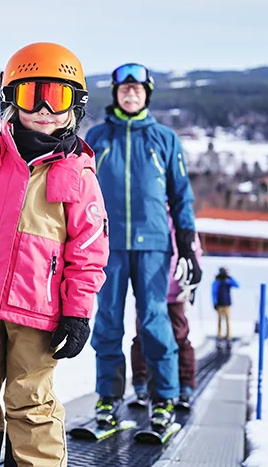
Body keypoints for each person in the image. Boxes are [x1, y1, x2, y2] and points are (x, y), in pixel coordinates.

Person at [0, 43, 109, 467]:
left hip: (39, 312)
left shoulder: (78, 173)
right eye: (32, 96)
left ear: (75, 105)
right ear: (12, 100)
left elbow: (88, 251)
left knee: (31, 403)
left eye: (58, 96)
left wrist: (78, 312)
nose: (45, 108)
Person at [85, 63, 201, 435]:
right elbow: (81, 192)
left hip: (153, 246)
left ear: (147, 94)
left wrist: (185, 243)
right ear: (116, 94)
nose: (130, 94)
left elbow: (181, 195)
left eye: (137, 89)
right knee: (107, 323)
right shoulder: (98, 136)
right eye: (124, 89)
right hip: (108, 245)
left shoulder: (165, 139)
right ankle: (108, 397)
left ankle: (163, 399)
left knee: (154, 321)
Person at [130, 227, 203, 407]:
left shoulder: (180, 222)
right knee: (142, 337)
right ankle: (141, 383)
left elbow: (195, 253)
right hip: (150, 293)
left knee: (179, 337)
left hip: (174, 293)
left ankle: (185, 383)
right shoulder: (147, 216)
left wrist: (189, 285)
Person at [212, 267, 239, 340]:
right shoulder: (217, 281)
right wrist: (214, 302)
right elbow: (214, 292)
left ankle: (228, 334)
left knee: (227, 320)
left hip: (227, 304)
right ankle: (219, 334)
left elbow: (237, 285)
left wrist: (230, 279)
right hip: (219, 304)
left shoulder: (228, 281)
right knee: (220, 320)